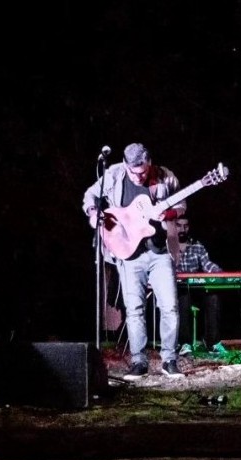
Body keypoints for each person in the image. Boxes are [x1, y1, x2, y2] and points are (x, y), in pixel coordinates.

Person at [82, 142, 185, 380]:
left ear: (149, 163)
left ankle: (169, 359)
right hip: (128, 252)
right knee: (134, 309)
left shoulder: (165, 176)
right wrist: (93, 213)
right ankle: (139, 361)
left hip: (160, 252)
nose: (138, 177)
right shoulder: (114, 174)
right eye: (133, 173)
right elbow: (90, 195)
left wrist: (168, 213)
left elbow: (181, 205)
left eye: (142, 172)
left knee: (169, 306)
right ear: (126, 166)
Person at [174, 216, 223, 354]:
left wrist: (220, 273)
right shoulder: (168, 246)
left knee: (212, 296)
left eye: (185, 226)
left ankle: (212, 342)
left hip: (195, 289)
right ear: (173, 227)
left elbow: (207, 264)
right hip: (176, 290)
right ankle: (185, 343)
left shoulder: (197, 246)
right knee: (183, 298)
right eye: (179, 225)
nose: (182, 229)